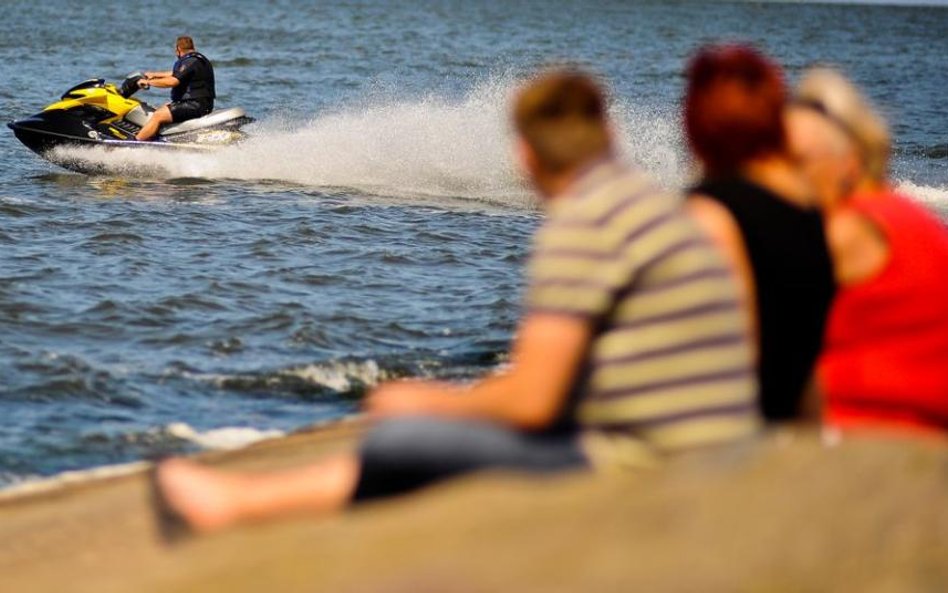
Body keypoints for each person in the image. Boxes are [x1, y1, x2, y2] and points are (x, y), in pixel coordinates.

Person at [154, 70, 759, 534]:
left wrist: (428, 399)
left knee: (401, 437)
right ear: (610, 134)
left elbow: (533, 400)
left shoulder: (583, 227)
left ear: (525, 155)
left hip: (656, 464)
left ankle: (235, 505)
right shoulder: (662, 205)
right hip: (723, 443)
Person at [786, 68, 948, 436]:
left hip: (865, 439)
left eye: (802, 163)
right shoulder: (919, 220)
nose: (790, 178)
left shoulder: (843, 232)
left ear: (850, 161)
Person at [684, 45, 836, 423]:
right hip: (792, 422)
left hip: (729, 434)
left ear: (696, 126)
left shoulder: (709, 214)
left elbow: (733, 353)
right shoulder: (815, 214)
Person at [135, 35, 215, 141]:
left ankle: (134, 143)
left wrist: (148, 82)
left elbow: (173, 81)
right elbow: (178, 74)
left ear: (178, 49)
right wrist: (155, 74)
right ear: (192, 47)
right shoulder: (197, 59)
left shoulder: (189, 61)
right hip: (200, 103)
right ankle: (154, 136)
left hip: (194, 104)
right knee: (161, 108)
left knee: (158, 115)